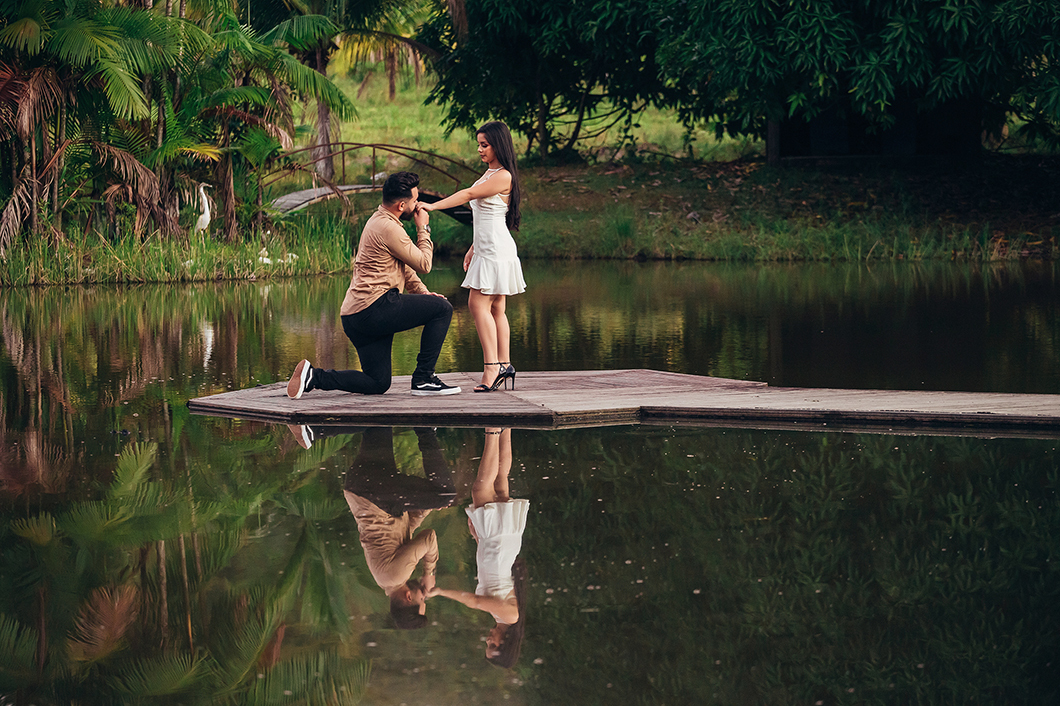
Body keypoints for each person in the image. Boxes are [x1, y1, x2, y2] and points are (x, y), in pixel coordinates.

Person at [287, 171, 460, 399]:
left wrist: (426, 294)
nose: (418, 206)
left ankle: (314, 377)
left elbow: (406, 270)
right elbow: (424, 264)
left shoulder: (379, 222)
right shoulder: (389, 228)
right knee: (444, 309)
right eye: (415, 201)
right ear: (401, 205)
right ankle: (424, 379)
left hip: (355, 316)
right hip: (374, 309)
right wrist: (423, 228)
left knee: (377, 382)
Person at [420, 122, 526, 393]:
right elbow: (484, 217)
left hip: (496, 249)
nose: (479, 150)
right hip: (486, 246)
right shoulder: (489, 173)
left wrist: (431, 204)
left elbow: (467, 195)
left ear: (498, 145)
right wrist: (472, 247)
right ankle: (504, 364)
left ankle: (492, 367)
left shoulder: (503, 176)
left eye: (484, 145)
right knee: (496, 308)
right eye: (478, 144)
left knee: (477, 304)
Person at [427, 428, 528, 667]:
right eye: (492, 645)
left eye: (488, 645)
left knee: (501, 483)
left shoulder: (504, 616)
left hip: (495, 547)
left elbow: (487, 577)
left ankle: (505, 426)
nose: (488, 640)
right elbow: (475, 601)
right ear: (505, 643)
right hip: (499, 547)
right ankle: (492, 431)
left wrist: (478, 539)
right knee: (480, 490)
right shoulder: (510, 616)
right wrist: (439, 591)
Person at [342, 426, 458, 629]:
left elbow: (429, 538)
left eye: (421, 600)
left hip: (375, 495)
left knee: (445, 495)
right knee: (379, 422)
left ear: (408, 598)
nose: (424, 594)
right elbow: (406, 527)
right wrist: (427, 507)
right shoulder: (386, 579)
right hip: (361, 487)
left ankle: (425, 429)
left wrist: (429, 573)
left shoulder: (396, 576)